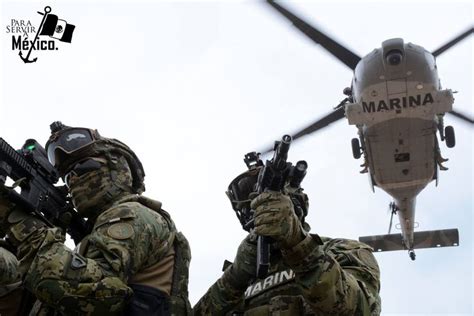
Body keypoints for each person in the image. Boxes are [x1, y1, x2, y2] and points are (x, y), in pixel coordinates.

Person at [0, 122, 192, 315]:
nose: (73, 179)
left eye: (82, 167)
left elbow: (95, 292)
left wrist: (16, 218)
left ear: (116, 165)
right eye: (67, 177)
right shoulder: (90, 239)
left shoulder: (133, 213)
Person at [194, 165, 381, 315]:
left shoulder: (341, 249)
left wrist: (298, 244)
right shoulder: (241, 276)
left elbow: (359, 309)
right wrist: (234, 278)